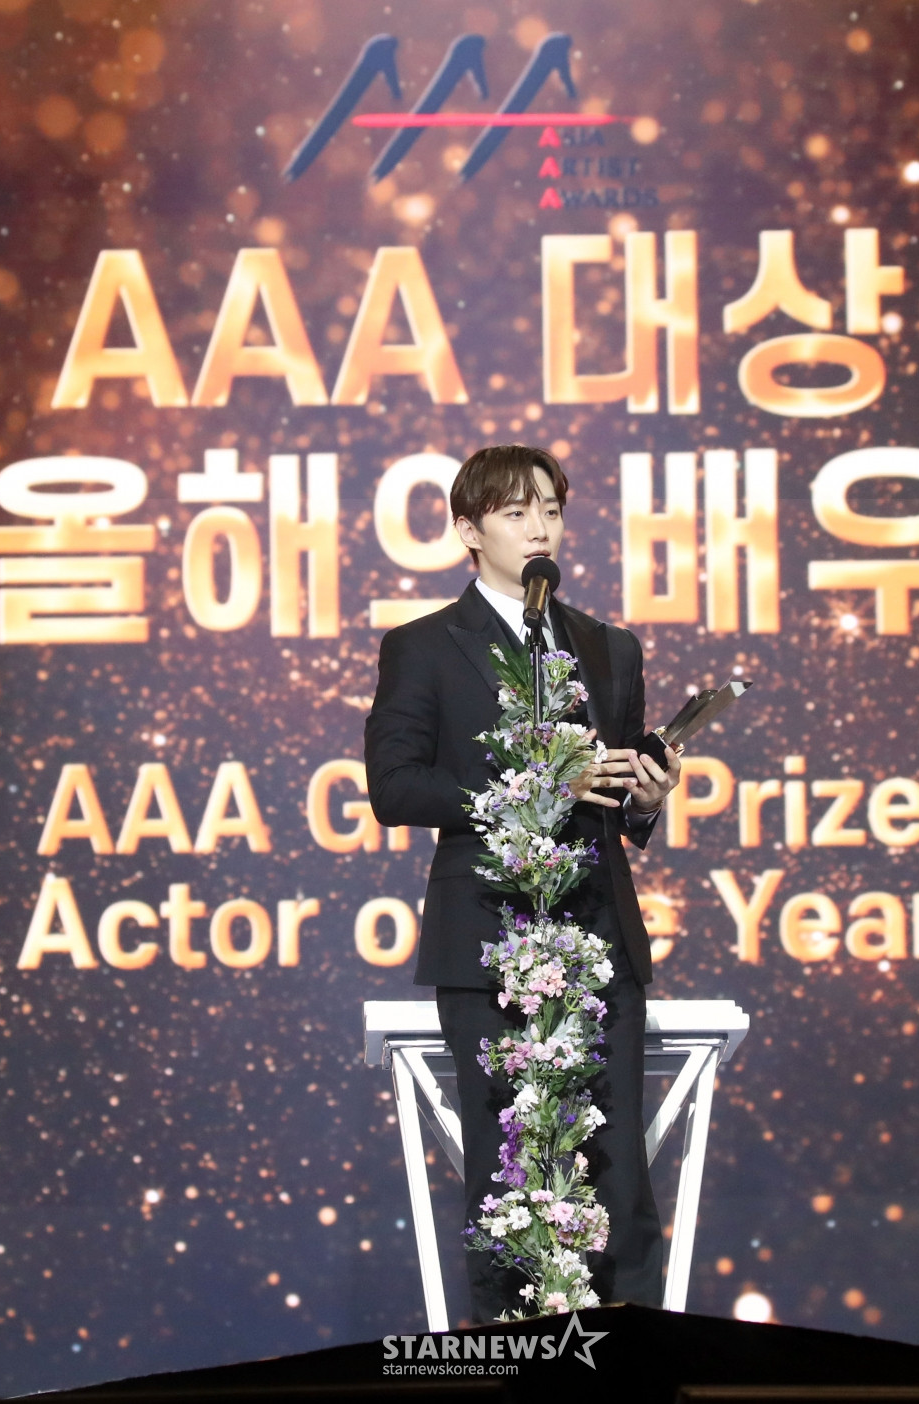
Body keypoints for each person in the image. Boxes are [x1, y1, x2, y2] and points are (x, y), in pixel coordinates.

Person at [364, 444, 680, 1320]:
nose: (540, 527)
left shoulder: (609, 647)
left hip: (595, 941)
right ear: (469, 532)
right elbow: (395, 788)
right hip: (487, 943)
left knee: (617, 1179)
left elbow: (617, 804)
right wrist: (533, 786)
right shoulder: (423, 647)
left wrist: (644, 798)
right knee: (510, 1181)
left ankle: (633, 1366)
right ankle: (513, 1364)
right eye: (515, 512)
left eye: (550, 509)